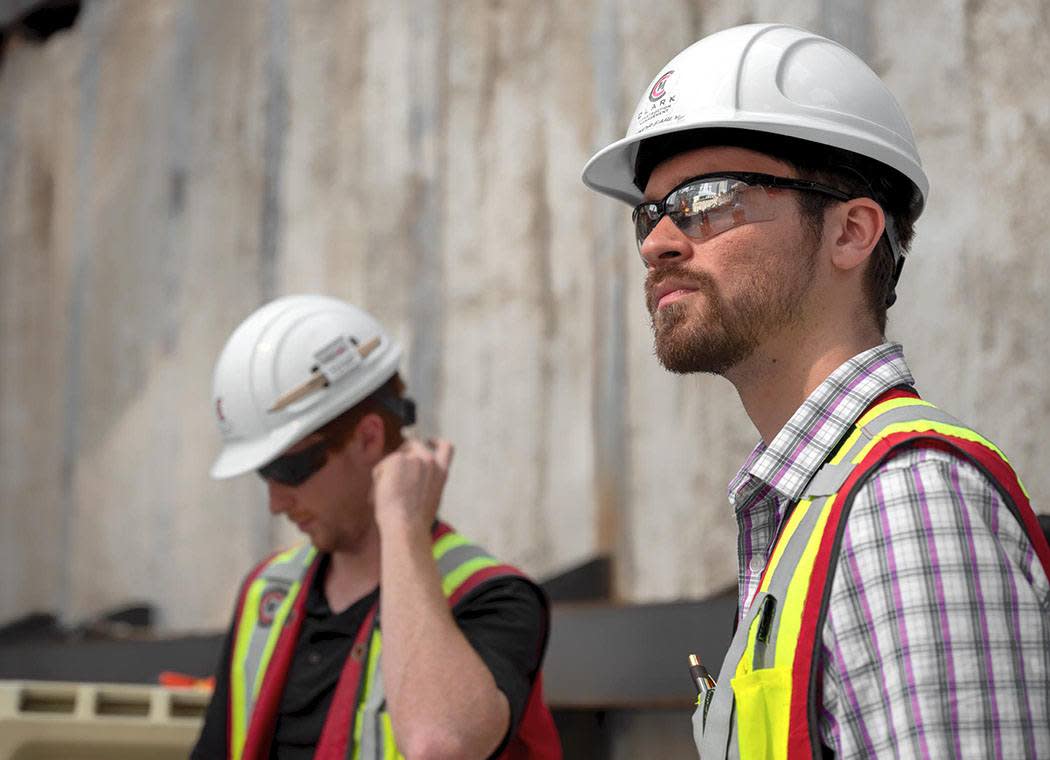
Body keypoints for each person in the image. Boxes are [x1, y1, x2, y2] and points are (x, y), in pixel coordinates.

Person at [581, 23, 1050, 760]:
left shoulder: (906, 503)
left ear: (851, 232)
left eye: (707, 197)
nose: (656, 242)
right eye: (651, 211)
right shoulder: (813, 504)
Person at [191, 294, 561, 760]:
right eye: (263, 474)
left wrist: (403, 525)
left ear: (368, 438)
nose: (276, 502)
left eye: (288, 470)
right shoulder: (267, 593)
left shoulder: (495, 597)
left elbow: (438, 744)